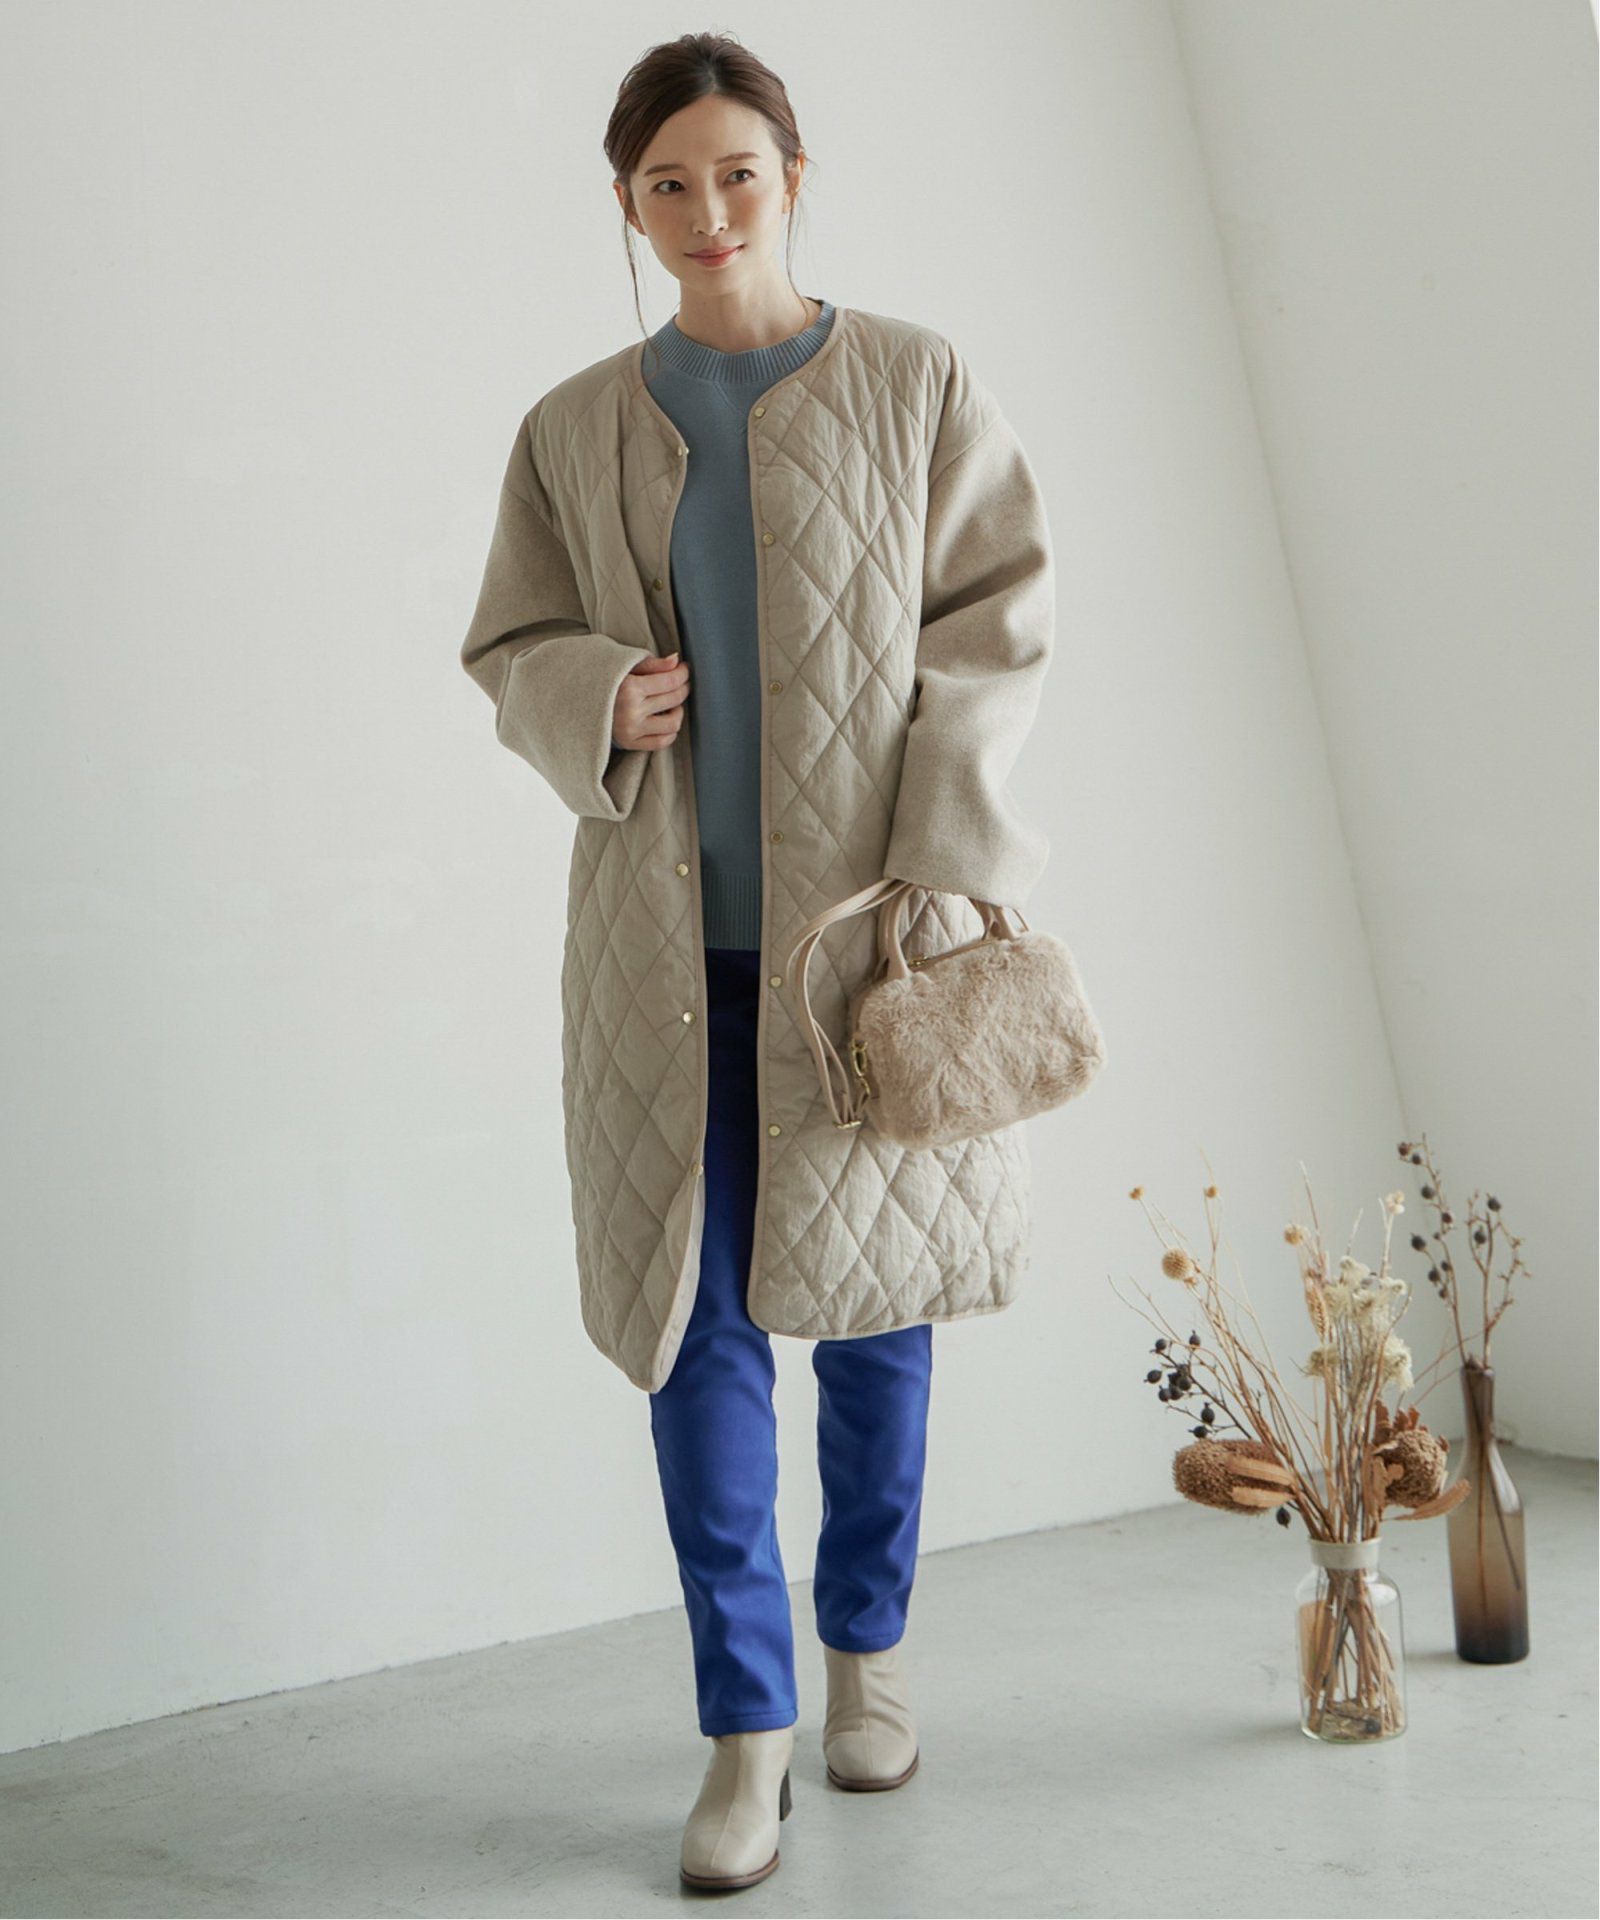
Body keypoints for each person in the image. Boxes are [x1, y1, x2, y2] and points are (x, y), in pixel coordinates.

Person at [459, 30, 1055, 1894]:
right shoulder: (571, 425)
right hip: (657, 962)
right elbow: (507, 642)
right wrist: (590, 695)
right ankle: (747, 1729)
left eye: (736, 172)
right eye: (669, 183)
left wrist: (939, 871)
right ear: (627, 205)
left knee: (874, 1319)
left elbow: (994, 624)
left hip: (861, 957)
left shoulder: (914, 380)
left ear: (794, 177)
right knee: (690, 1336)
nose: (707, 211)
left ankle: (868, 1658)